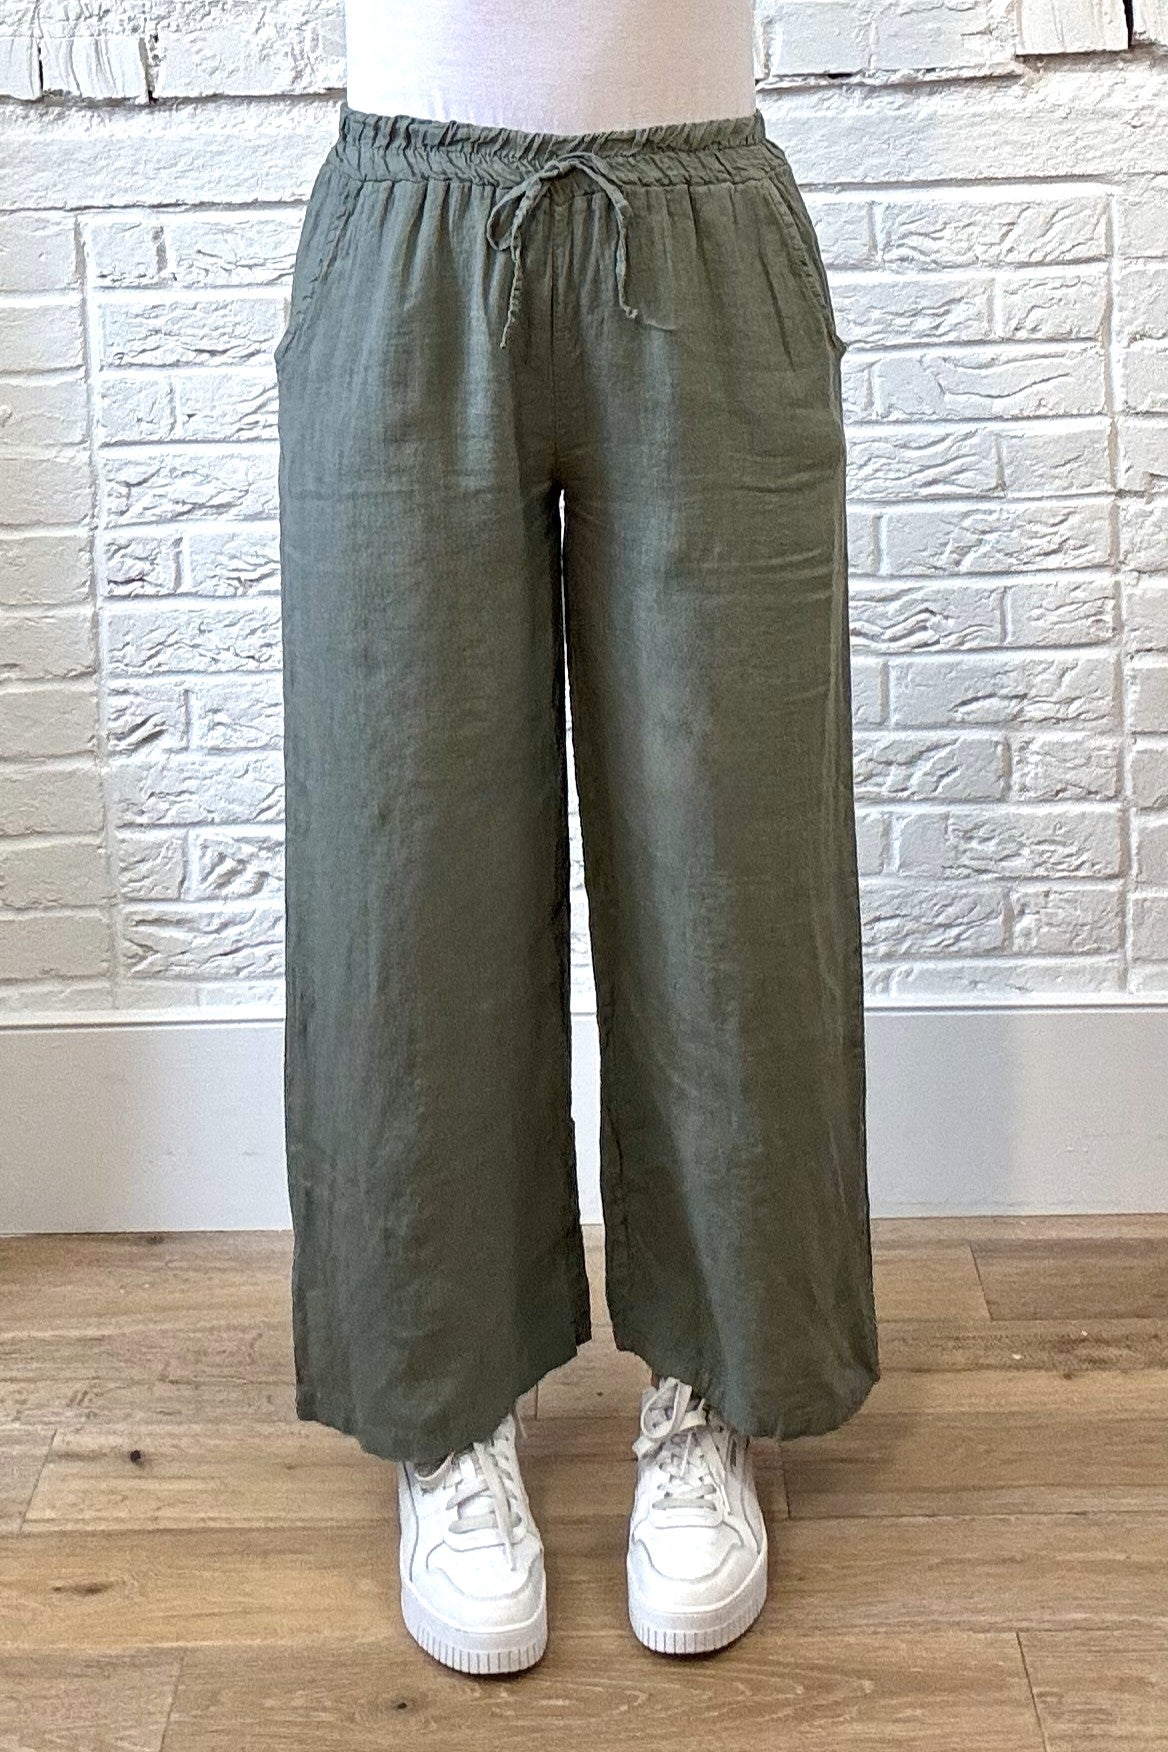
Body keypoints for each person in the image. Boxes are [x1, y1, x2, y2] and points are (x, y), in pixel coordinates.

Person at [275, 0, 880, 1674]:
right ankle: (444, 1406)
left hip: (701, 226)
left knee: (733, 853)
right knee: (405, 853)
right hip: (407, 233)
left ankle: (715, 1387)